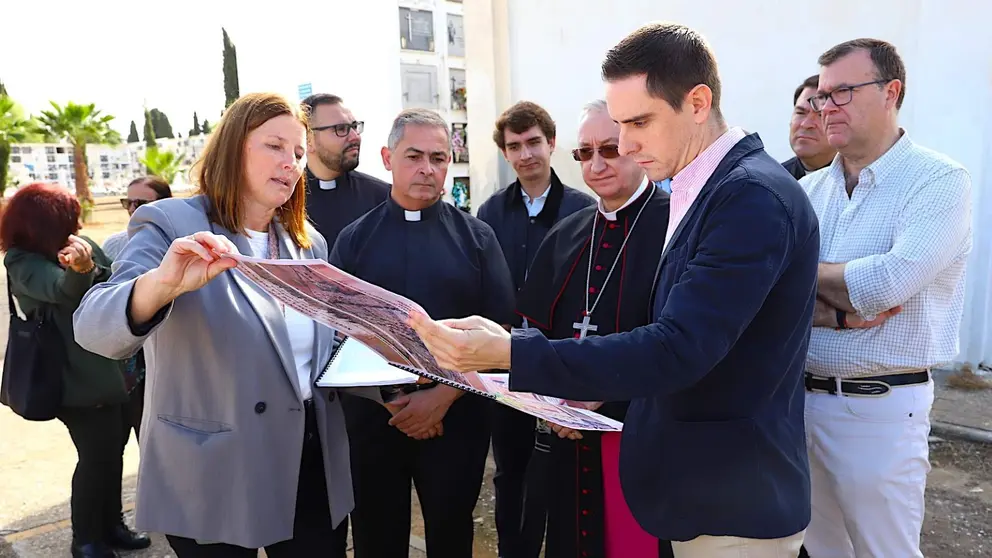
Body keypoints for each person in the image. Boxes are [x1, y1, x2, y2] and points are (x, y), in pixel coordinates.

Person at [408, 22, 820, 558]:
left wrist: (510, 353)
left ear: (697, 103)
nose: (625, 145)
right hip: (700, 489)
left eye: (638, 123)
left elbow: (680, 346)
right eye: (617, 127)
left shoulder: (750, 197)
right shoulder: (712, 188)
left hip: (733, 499)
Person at [73, 92, 383, 558]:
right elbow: (93, 327)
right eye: (274, 146)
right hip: (214, 464)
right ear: (233, 148)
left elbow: (320, 352)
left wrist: (396, 362)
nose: (291, 163)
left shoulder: (308, 244)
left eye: (299, 153)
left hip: (309, 460)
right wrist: (162, 285)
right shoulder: (172, 223)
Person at [799, 38, 972, 558]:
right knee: (821, 551)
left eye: (843, 92)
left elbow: (886, 285)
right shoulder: (809, 191)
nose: (826, 107)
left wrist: (803, 273)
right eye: (821, 96)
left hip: (880, 411)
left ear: (891, 91)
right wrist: (835, 294)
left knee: (886, 551)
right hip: (799, 403)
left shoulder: (939, 181)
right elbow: (775, 292)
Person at [330, 108, 515, 557]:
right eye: (414, 156)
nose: (427, 169)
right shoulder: (353, 240)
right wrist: (393, 400)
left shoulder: (478, 238)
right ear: (387, 158)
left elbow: (502, 330)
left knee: (451, 536)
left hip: (458, 418)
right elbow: (337, 333)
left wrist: (441, 398)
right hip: (376, 419)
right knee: (376, 539)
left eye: (438, 158)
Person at [514, 99, 674, 558]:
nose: (596, 164)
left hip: (643, 437)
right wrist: (548, 402)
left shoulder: (678, 225)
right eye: (585, 153)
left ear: (637, 147)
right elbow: (533, 331)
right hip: (569, 436)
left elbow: (684, 341)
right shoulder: (566, 233)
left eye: (609, 149)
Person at [2, 183, 150, 558]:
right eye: (69, 217)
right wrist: (81, 270)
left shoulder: (74, 245)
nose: (78, 224)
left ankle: (112, 526)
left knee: (111, 454)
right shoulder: (22, 262)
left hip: (110, 372)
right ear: (44, 222)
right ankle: (86, 539)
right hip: (76, 381)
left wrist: (90, 266)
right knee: (95, 459)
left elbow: (113, 279)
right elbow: (64, 291)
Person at [475, 100, 594, 557]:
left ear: (551, 143)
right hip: (506, 363)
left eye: (533, 143)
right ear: (505, 153)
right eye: (514, 146)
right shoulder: (490, 212)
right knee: (510, 470)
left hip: (562, 359)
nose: (525, 155)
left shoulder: (584, 209)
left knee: (565, 468)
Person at [102, 175, 173, 442]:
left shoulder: (180, 244)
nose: (132, 209)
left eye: (140, 203)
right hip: (125, 358)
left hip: (167, 353)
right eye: (127, 202)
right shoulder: (113, 244)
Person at [301, 93, 390, 249]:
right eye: (340, 129)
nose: (355, 137)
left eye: (354, 127)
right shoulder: (285, 200)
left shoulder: (382, 198)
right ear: (308, 140)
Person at [782, 75, 836, 180]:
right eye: (800, 113)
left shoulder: (858, 181)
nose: (806, 124)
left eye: (820, 115)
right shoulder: (771, 181)